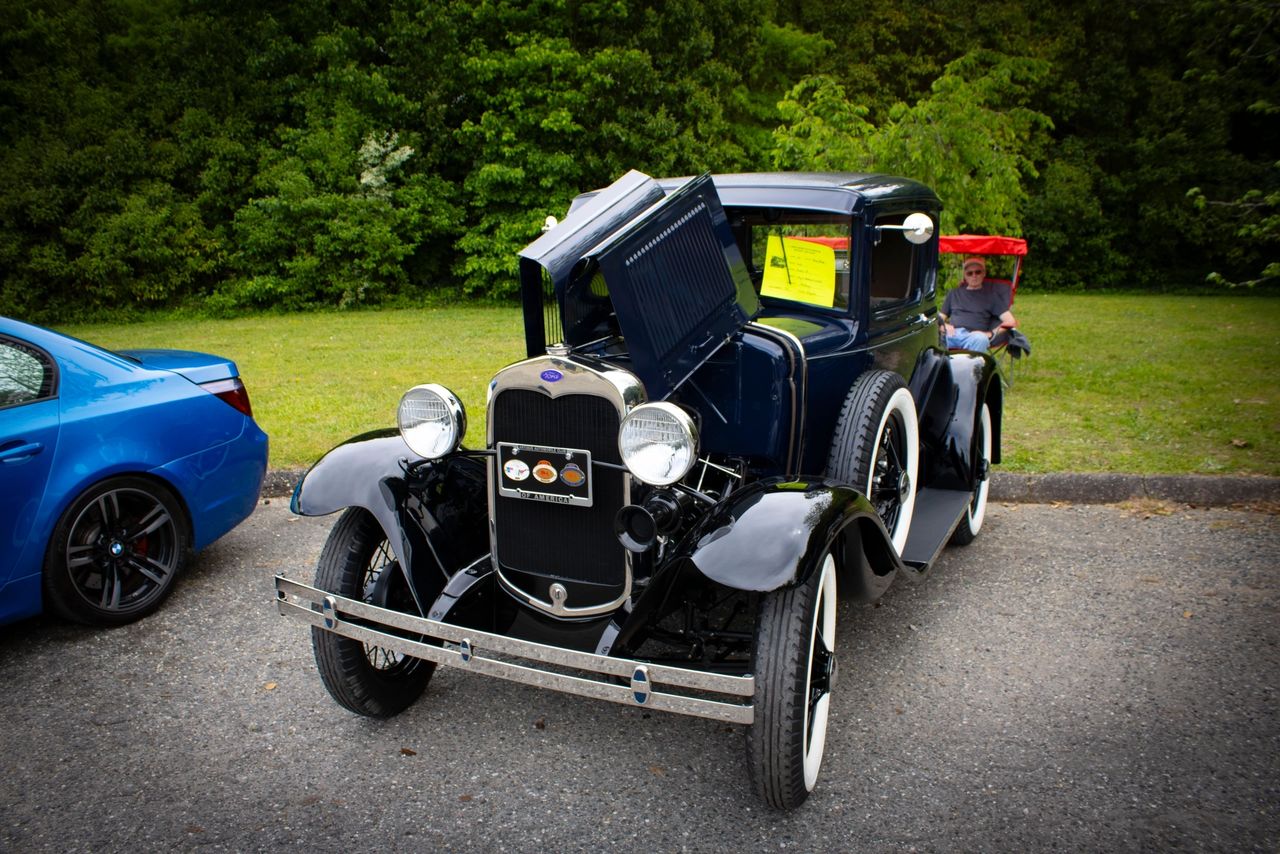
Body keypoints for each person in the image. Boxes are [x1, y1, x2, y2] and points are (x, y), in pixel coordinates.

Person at [940, 256, 1017, 352]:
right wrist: (945, 325)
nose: (974, 275)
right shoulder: (954, 293)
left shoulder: (991, 296)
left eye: (978, 272)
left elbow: (1010, 321)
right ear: (965, 275)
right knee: (930, 337)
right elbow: (939, 318)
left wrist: (990, 334)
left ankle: (971, 366)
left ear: (984, 273)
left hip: (973, 337)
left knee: (981, 339)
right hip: (951, 334)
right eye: (969, 273)